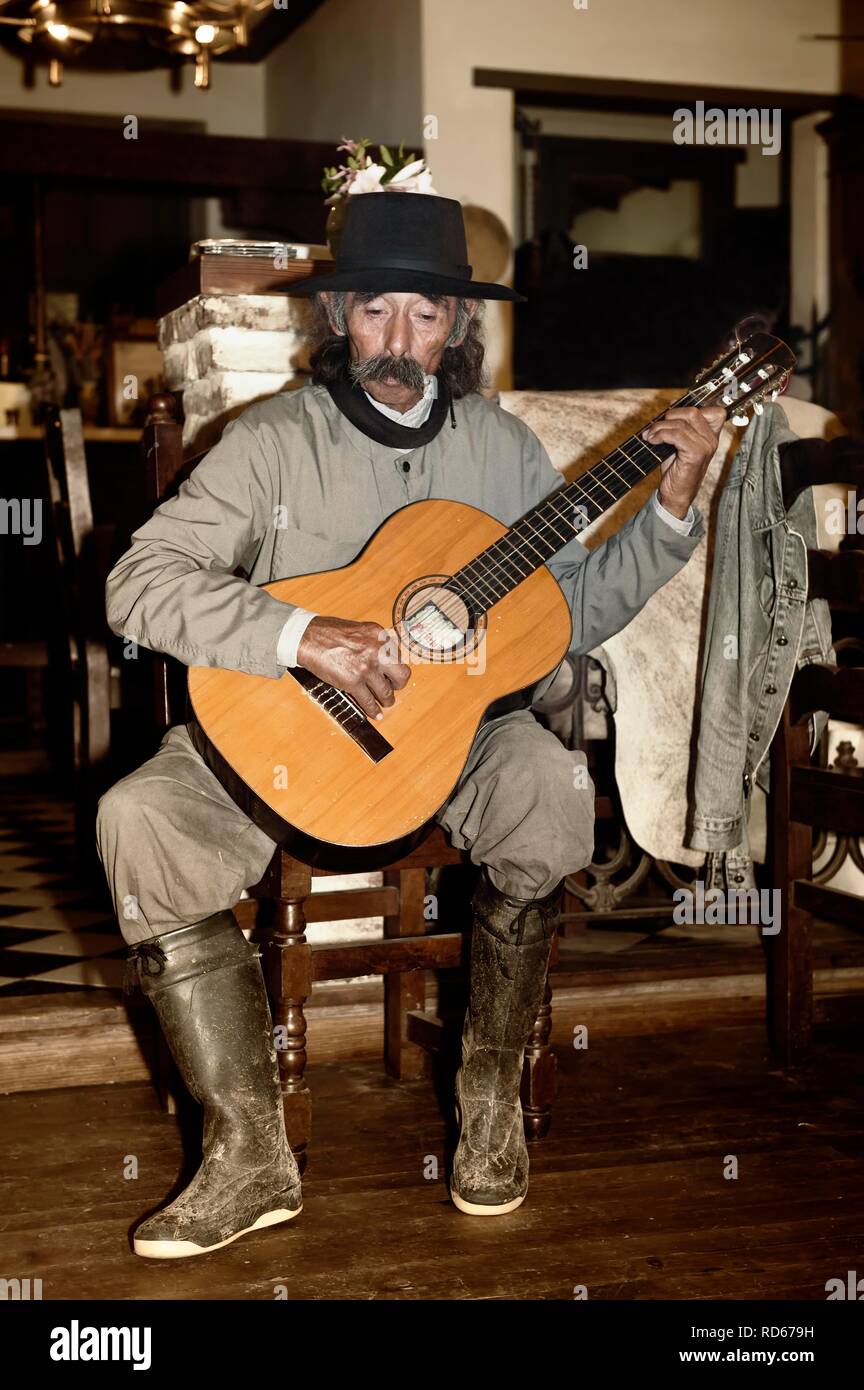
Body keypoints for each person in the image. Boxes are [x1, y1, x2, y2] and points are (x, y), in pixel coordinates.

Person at [97, 192, 722, 1258]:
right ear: (340, 312)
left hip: (453, 738)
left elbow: (573, 610)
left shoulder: (501, 449)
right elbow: (136, 584)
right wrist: (298, 633)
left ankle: (487, 1105)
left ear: (458, 328)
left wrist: (671, 506)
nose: (399, 342)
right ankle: (249, 1154)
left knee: (551, 788)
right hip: (284, 728)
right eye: (376, 311)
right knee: (138, 817)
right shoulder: (273, 440)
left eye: (425, 316)